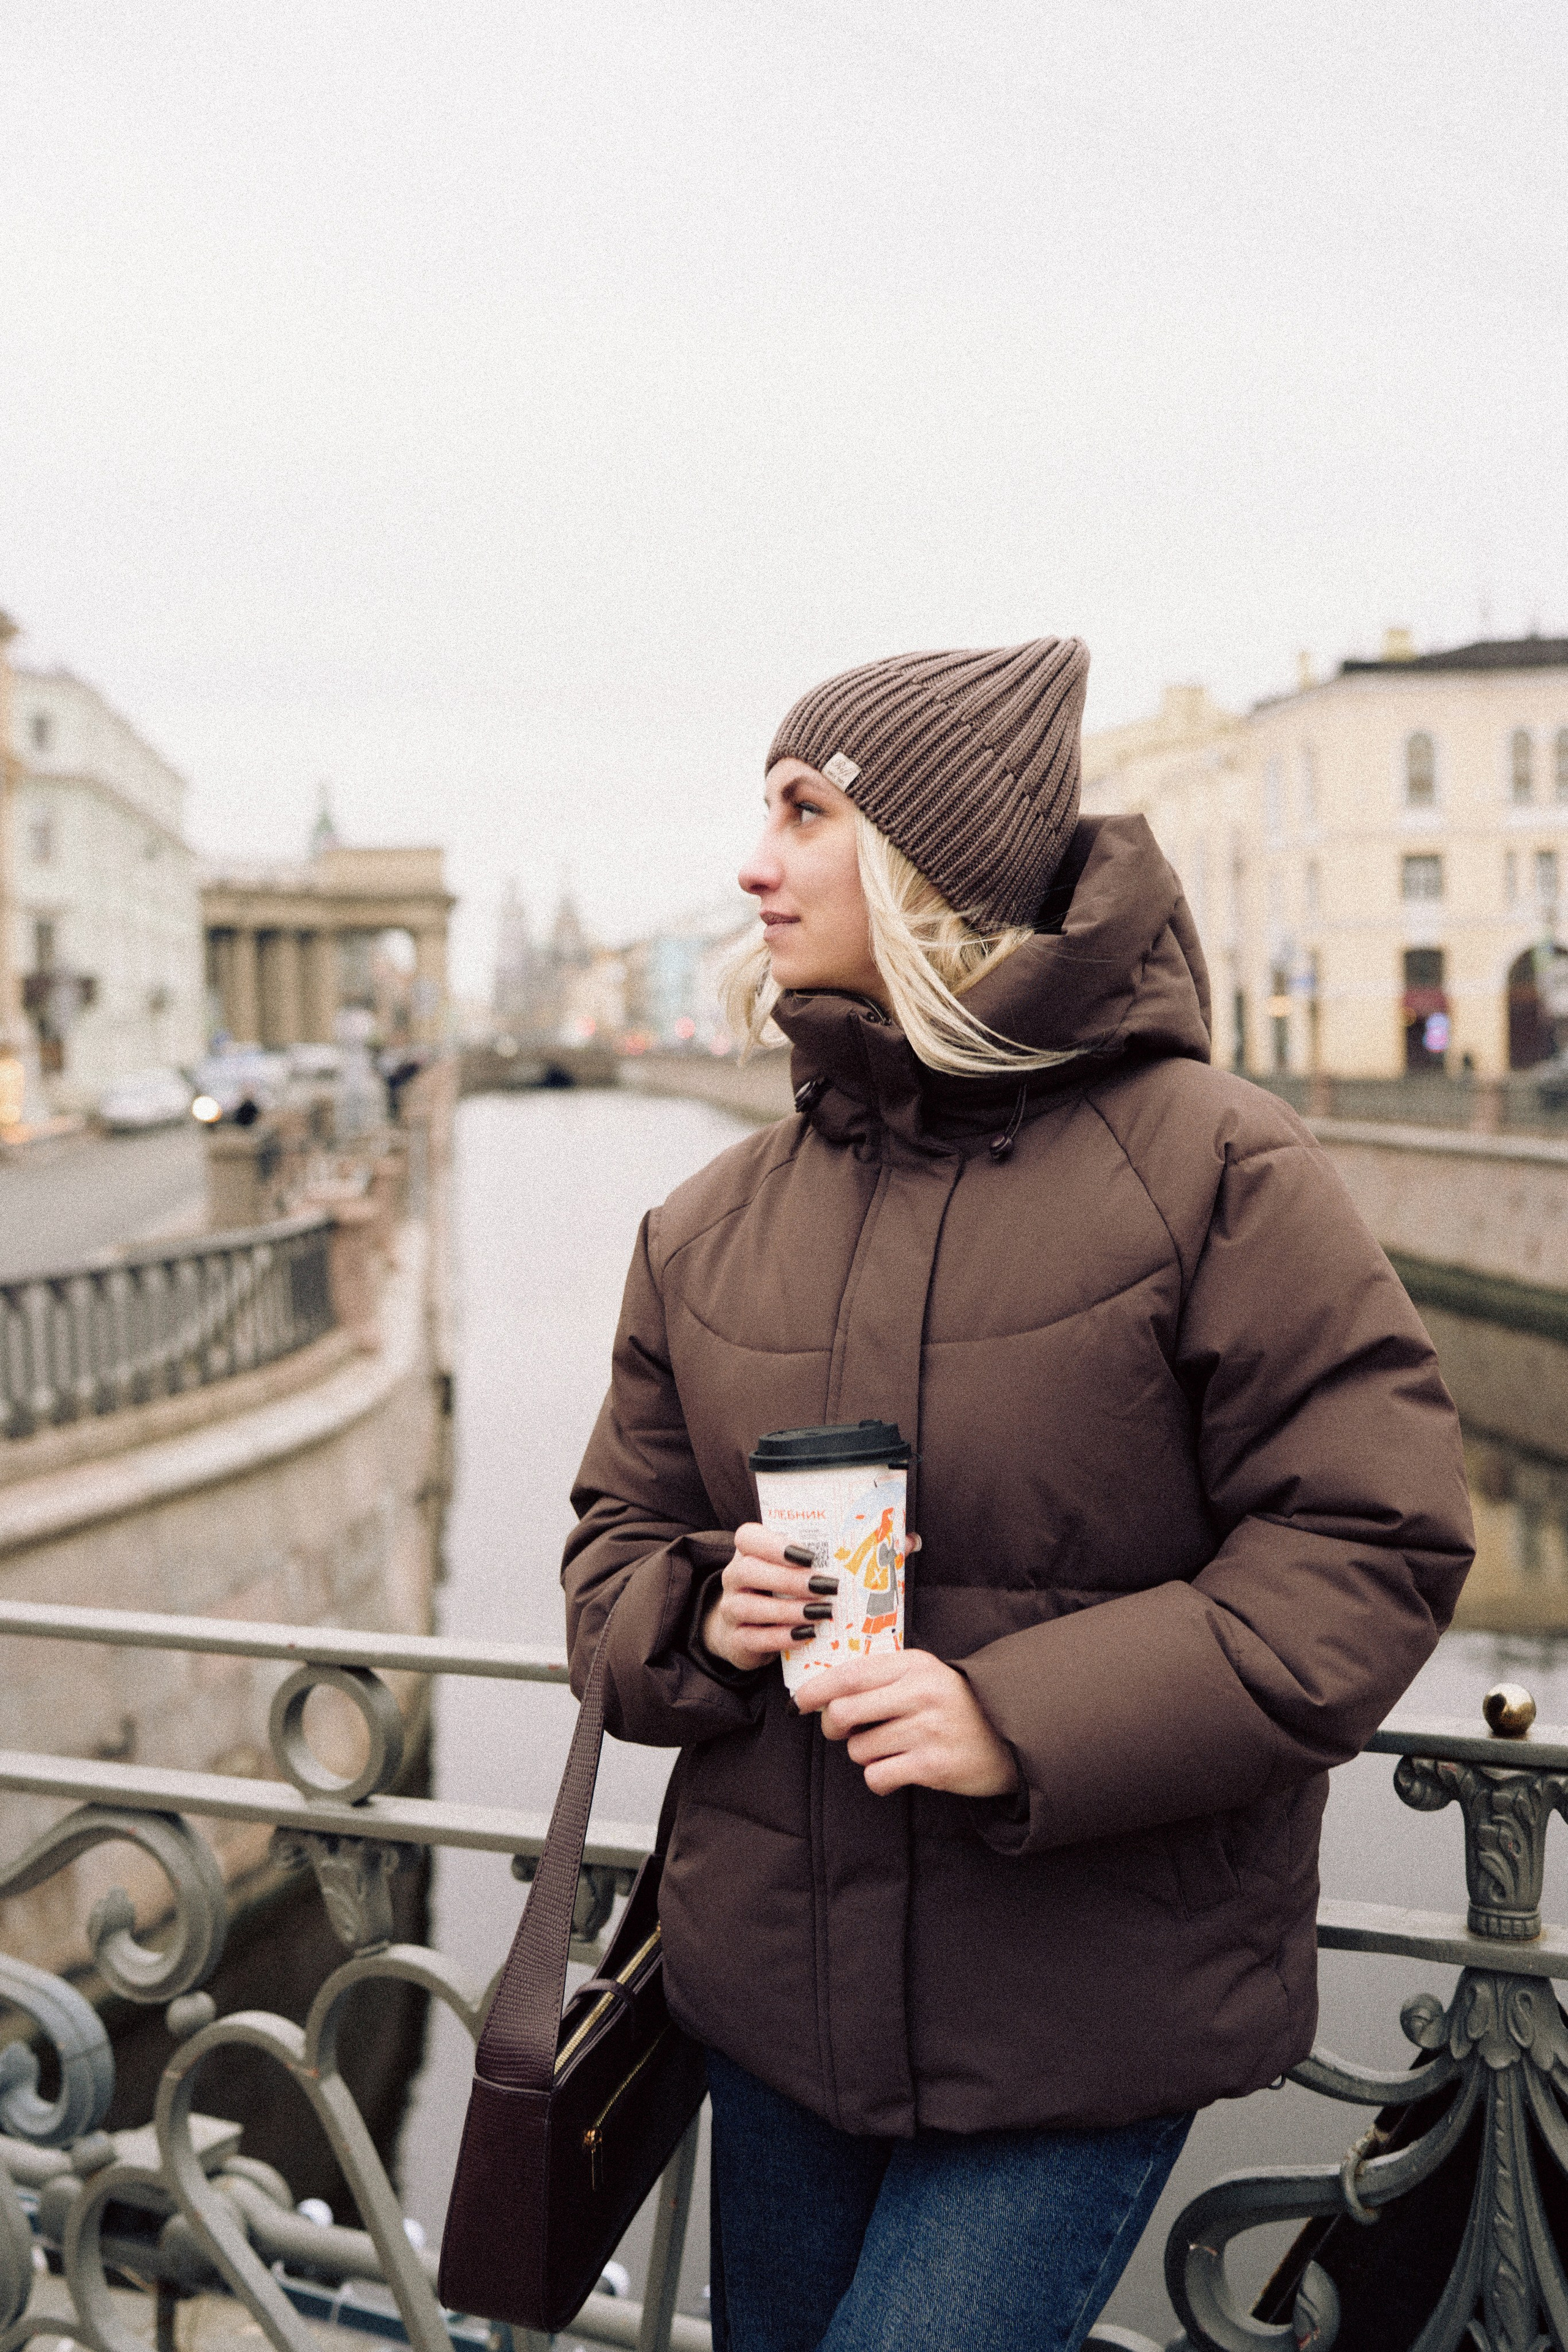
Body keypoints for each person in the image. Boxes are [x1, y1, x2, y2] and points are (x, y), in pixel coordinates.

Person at [562, 638, 1474, 2352]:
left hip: (1087, 2009)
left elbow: (1370, 1541)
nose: (754, 862)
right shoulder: (705, 1224)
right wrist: (699, 1607)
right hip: (772, 2014)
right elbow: (609, 1548)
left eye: (804, 811)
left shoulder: (1216, 1164)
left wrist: (1019, 1718)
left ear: (932, 860)